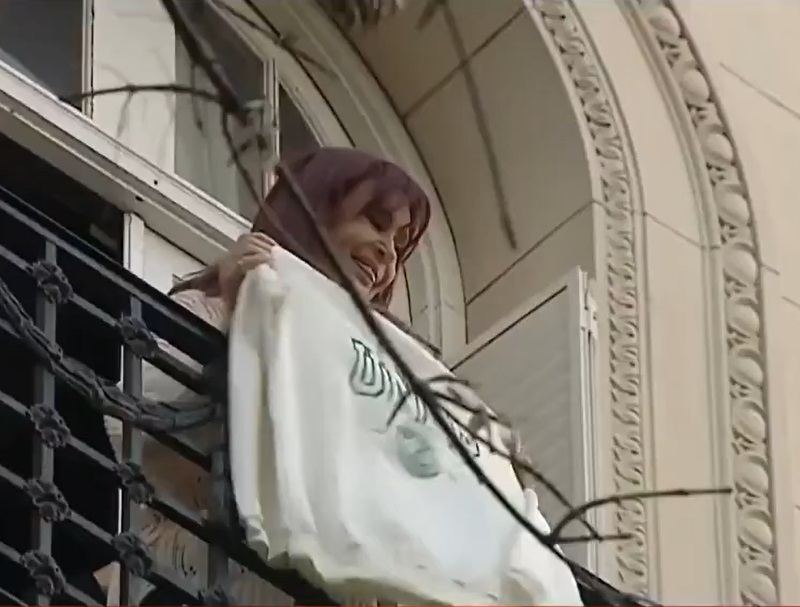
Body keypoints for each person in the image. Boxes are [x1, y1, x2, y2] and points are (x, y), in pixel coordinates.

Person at [133, 147, 432, 604]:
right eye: (375, 222)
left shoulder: (381, 375)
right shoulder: (207, 309)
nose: (388, 253)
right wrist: (242, 324)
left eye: (400, 245)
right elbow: (141, 437)